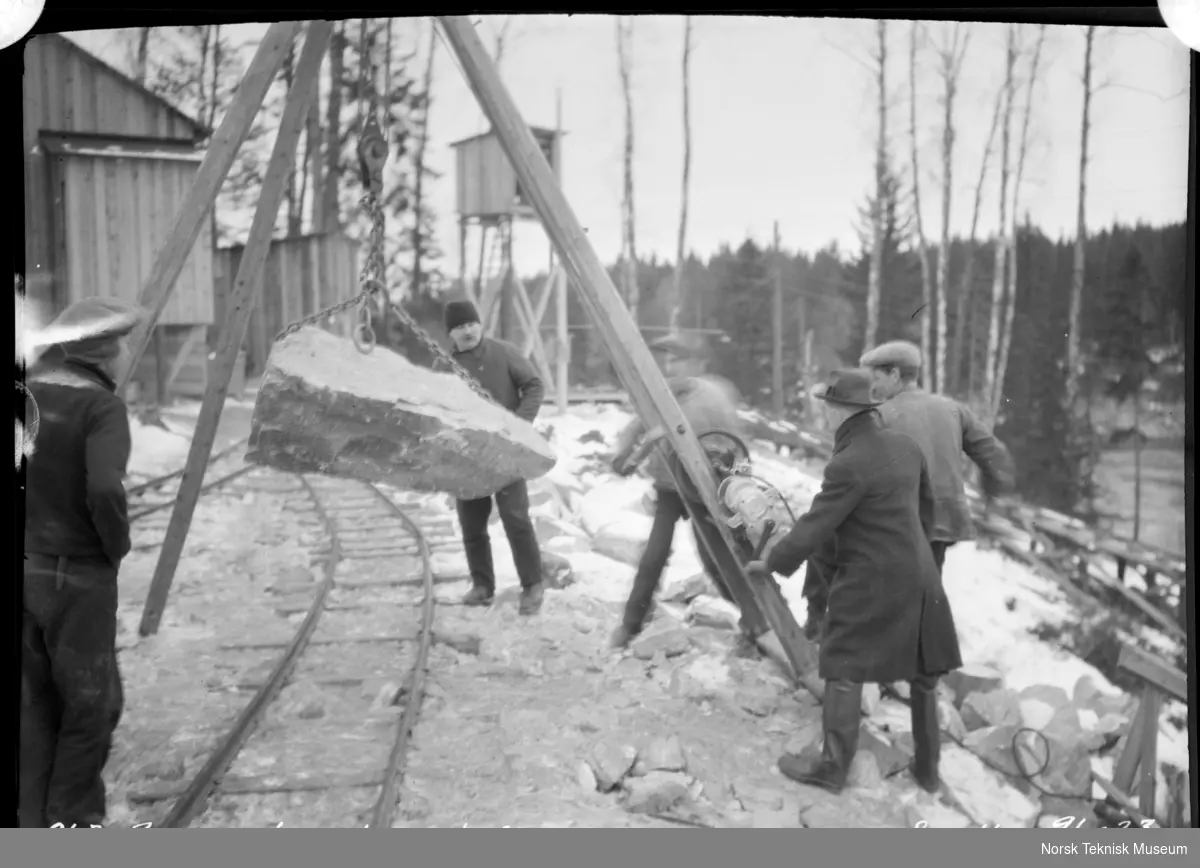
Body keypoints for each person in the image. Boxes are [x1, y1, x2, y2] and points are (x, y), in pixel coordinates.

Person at [746, 369, 962, 795]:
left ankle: (832, 767)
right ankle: (928, 770)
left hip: (872, 580)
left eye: (826, 405)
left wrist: (772, 561)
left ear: (840, 410)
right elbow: (924, 512)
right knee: (922, 676)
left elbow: (816, 526)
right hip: (920, 574)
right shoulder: (905, 446)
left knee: (844, 664)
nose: (823, 413)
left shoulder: (848, 463)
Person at [22, 296, 144, 828]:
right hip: (78, 573)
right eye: (118, 345)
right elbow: (104, 487)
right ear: (101, 350)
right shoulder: (101, 407)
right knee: (90, 704)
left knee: (33, 706)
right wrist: (112, 546)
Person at [607, 333, 768, 653]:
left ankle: (758, 623)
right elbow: (638, 427)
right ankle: (630, 624)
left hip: (706, 489)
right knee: (654, 555)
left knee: (718, 559)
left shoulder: (714, 396)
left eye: (680, 359)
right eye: (669, 359)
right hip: (669, 487)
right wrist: (623, 455)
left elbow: (735, 446)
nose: (672, 365)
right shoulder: (661, 394)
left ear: (699, 363)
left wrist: (735, 487)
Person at [859, 340, 1015, 575]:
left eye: (876, 379)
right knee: (927, 593)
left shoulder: (879, 416)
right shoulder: (952, 409)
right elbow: (997, 457)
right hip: (942, 525)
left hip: (897, 528)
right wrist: (990, 499)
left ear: (894, 375)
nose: (872, 388)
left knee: (892, 599)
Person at [443, 300, 547, 616]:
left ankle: (532, 585)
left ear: (480, 325)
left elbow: (534, 385)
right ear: (451, 333)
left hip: (506, 451)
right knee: (472, 524)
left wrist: (518, 425)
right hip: (469, 457)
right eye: (460, 327)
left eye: (471, 324)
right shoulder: (443, 365)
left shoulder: (503, 353)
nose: (468, 331)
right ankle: (482, 586)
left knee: (516, 518)